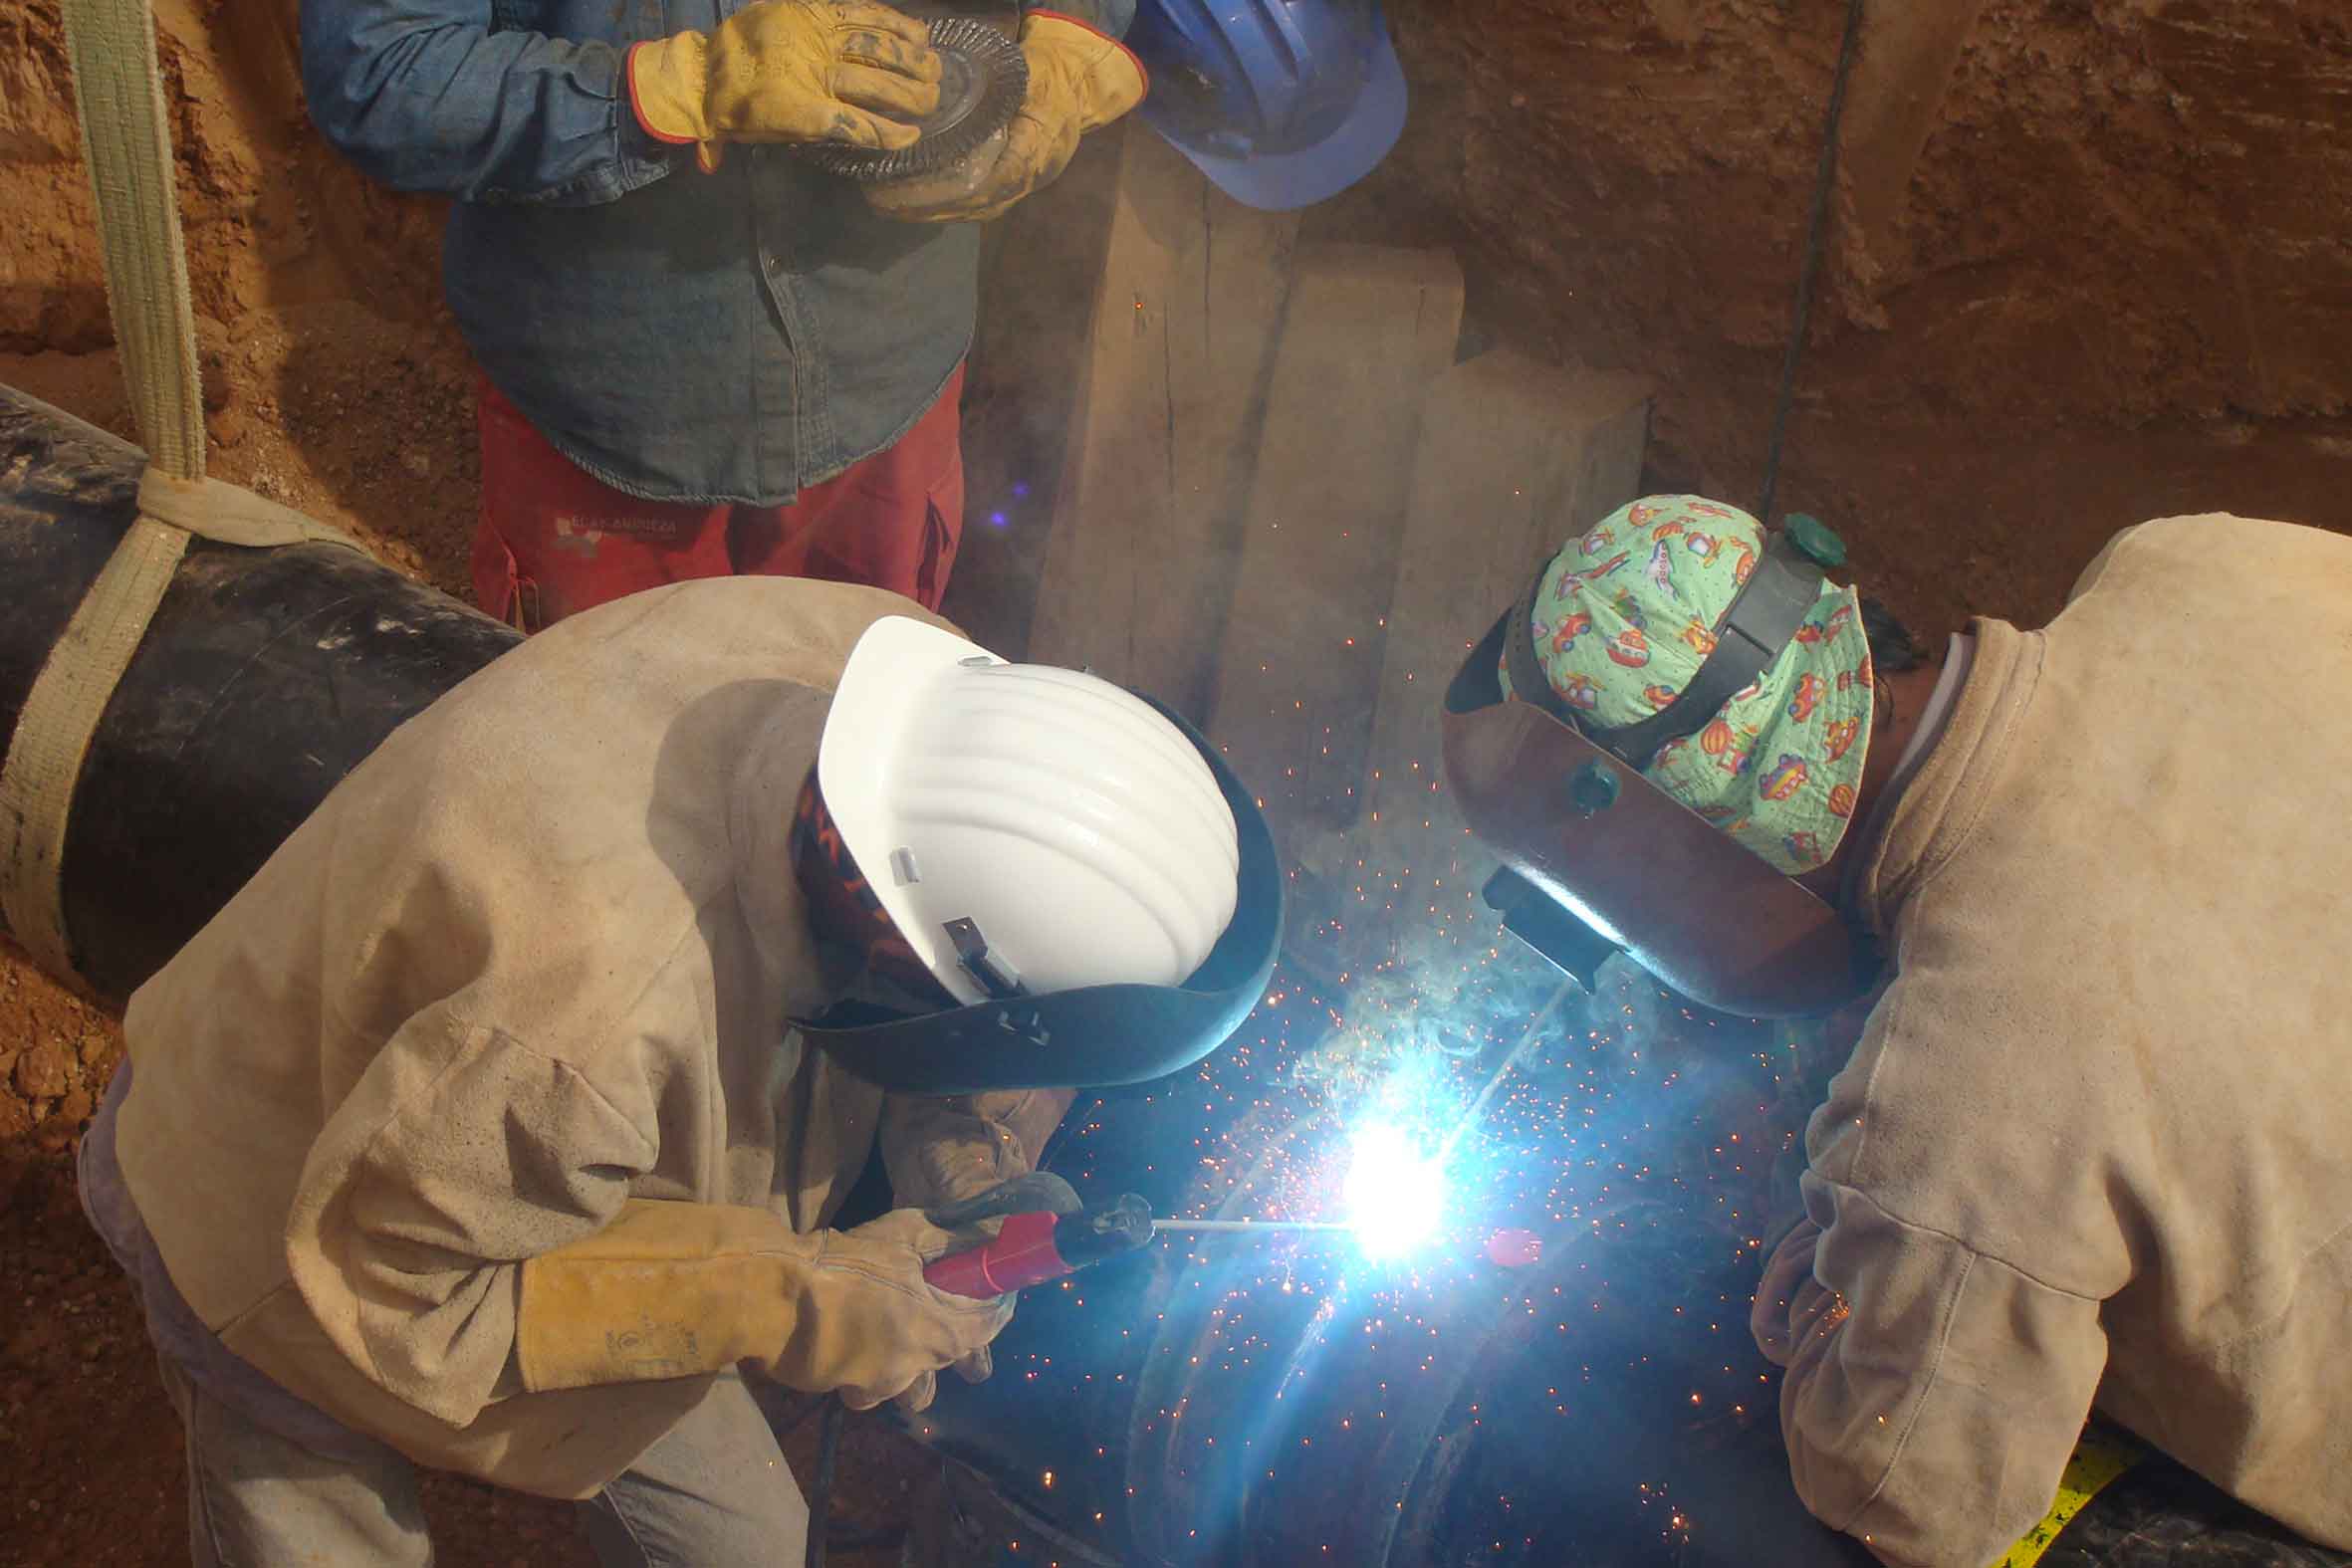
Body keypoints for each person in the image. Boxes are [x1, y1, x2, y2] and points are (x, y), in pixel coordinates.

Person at [77, 577, 1280, 1564]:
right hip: (290, 1226)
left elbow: (932, 961)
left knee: (745, 1548)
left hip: (512, 1151)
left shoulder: (912, 712)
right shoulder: (588, 1007)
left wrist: (960, 1144)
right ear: (892, 938)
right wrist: (795, 1293)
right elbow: (392, 1300)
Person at [1442, 494, 2352, 1566]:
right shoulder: (2194, 560)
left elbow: (1905, 1491)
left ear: (1666, 847)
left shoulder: (1971, 1102)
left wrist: (1835, 1296)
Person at [299, 0, 1148, 628]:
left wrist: (1074, 29)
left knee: (852, 747)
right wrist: (676, 87)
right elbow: (379, 74)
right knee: (601, 793)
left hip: (886, 367)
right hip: (608, 409)